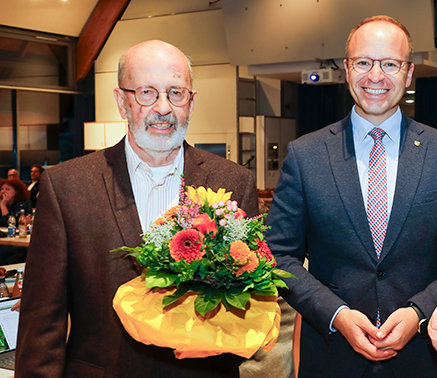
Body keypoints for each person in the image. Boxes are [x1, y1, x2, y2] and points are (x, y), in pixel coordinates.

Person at [16, 40, 294, 378]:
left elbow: (252, 296)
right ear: (121, 101)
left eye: (175, 92)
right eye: (146, 92)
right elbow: (42, 320)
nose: (163, 108)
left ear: (191, 103)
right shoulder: (67, 186)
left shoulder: (234, 181)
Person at [265, 15, 437, 378]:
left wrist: (420, 311)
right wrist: (336, 314)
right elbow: (277, 254)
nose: (375, 76)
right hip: (331, 357)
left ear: (409, 72)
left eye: (390, 64)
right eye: (364, 63)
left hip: (424, 357)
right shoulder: (306, 155)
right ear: (346, 68)